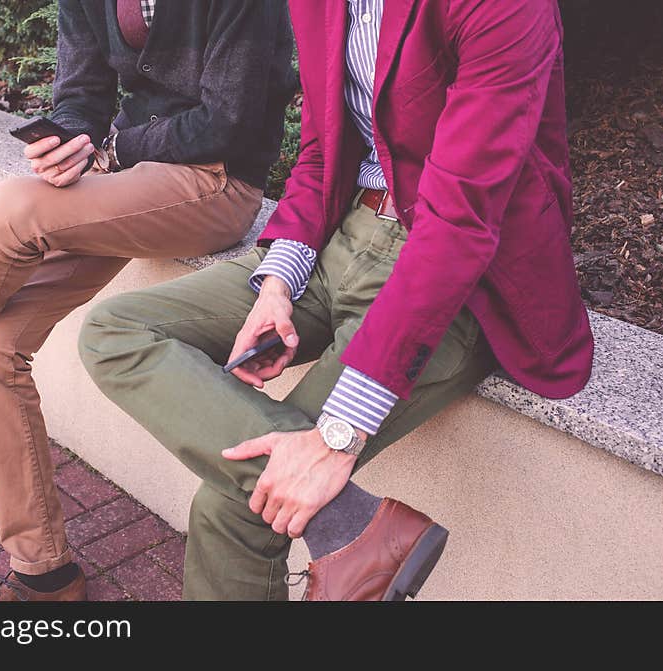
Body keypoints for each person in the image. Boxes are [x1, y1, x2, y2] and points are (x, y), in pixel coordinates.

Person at [78, 0, 595, 601]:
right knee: (116, 329)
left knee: (235, 512)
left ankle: (349, 526)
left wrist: (338, 437)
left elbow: (460, 221)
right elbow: (323, 152)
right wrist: (277, 285)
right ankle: (351, 524)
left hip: (455, 276)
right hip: (344, 236)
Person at [0, 0, 297, 601]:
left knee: (14, 208)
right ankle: (44, 574)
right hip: (126, 181)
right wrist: (69, 140)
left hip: (214, 184)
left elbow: (228, 120)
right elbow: (81, 93)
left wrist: (110, 147)